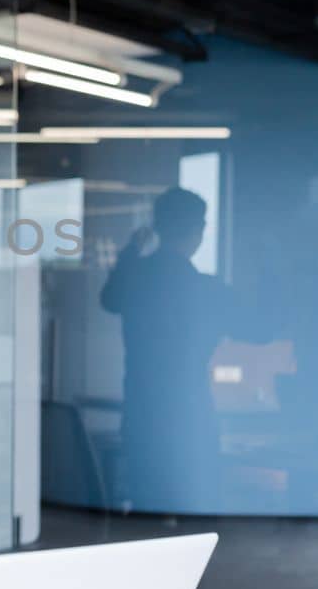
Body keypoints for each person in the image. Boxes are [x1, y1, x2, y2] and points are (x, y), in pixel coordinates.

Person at [99, 187, 234, 512]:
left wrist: (131, 251)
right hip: (189, 409)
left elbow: (109, 299)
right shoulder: (205, 287)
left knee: (147, 505)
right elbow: (261, 330)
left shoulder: (136, 278)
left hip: (142, 407)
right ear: (198, 231)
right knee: (196, 505)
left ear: (158, 227)